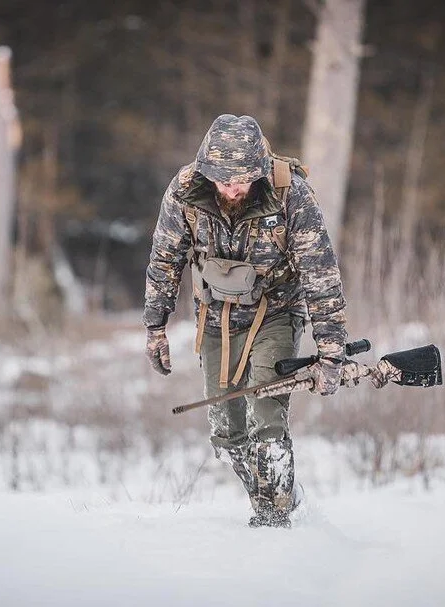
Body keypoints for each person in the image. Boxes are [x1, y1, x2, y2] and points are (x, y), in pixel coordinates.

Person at [143, 114, 348, 528]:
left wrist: (331, 353)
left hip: (276, 312)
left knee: (265, 415)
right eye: (224, 180)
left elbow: (320, 274)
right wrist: (155, 328)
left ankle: (274, 522)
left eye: (243, 180)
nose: (234, 189)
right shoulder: (184, 192)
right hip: (215, 315)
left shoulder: (293, 195)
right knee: (227, 430)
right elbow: (165, 259)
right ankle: (276, 498)